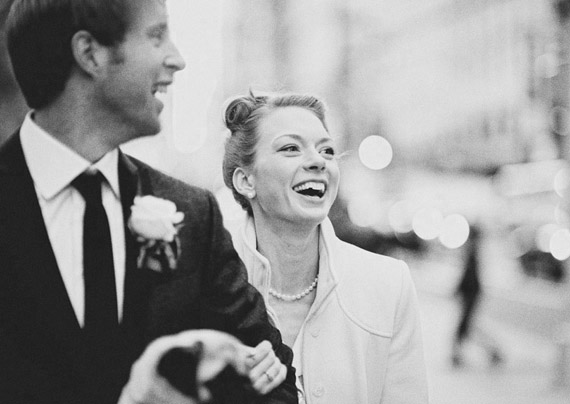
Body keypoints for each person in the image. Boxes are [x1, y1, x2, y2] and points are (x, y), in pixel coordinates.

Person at [0, 1, 297, 403]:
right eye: (157, 36)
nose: (177, 60)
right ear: (90, 53)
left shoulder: (193, 215)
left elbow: (277, 386)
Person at [221, 91, 429, 404]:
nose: (318, 161)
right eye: (290, 148)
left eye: (327, 151)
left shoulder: (389, 283)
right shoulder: (204, 284)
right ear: (246, 181)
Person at [451, 225, 503, 368]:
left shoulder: (472, 251)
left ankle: (492, 350)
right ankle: (491, 351)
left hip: (470, 294)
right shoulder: (474, 250)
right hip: (471, 294)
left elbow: (469, 276)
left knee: (466, 326)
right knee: (467, 327)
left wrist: (458, 289)